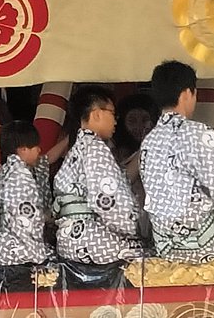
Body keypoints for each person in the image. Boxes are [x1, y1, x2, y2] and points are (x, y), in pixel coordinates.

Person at [140, 60, 214, 262]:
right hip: (206, 243)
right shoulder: (198, 132)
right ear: (187, 93)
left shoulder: (149, 141)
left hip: (165, 245)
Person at [53, 85, 145, 264]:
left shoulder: (77, 149)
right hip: (92, 241)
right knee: (150, 256)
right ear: (96, 114)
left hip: (68, 241)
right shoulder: (95, 148)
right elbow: (108, 203)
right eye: (112, 113)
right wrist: (133, 225)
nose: (116, 121)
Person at [0, 122, 54, 267]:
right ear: (23, 149)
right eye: (35, 147)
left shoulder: (3, 173)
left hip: (1, 247)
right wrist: (48, 217)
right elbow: (27, 219)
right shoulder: (21, 176)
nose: (39, 150)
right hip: (19, 252)